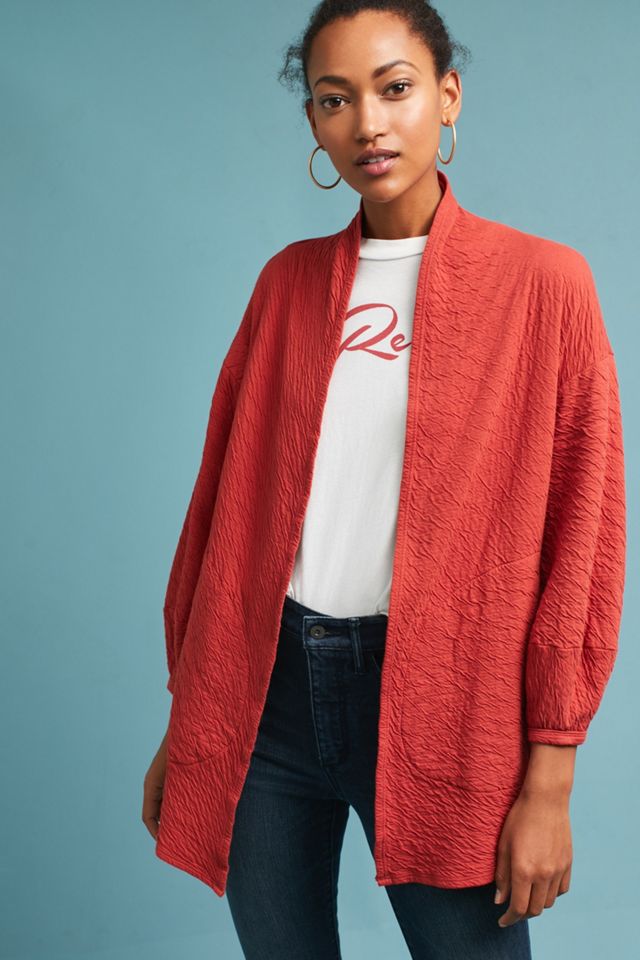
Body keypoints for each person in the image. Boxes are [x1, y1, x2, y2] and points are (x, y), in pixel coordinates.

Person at [142, 2, 627, 958]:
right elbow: (222, 510)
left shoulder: (544, 285)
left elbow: (586, 536)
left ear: (448, 96)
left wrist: (550, 779)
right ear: (314, 124)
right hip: (266, 696)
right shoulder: (286, 284)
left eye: (395, 88)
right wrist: (189, 718)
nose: (368, 122)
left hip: (445, 702)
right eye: (336, 100)